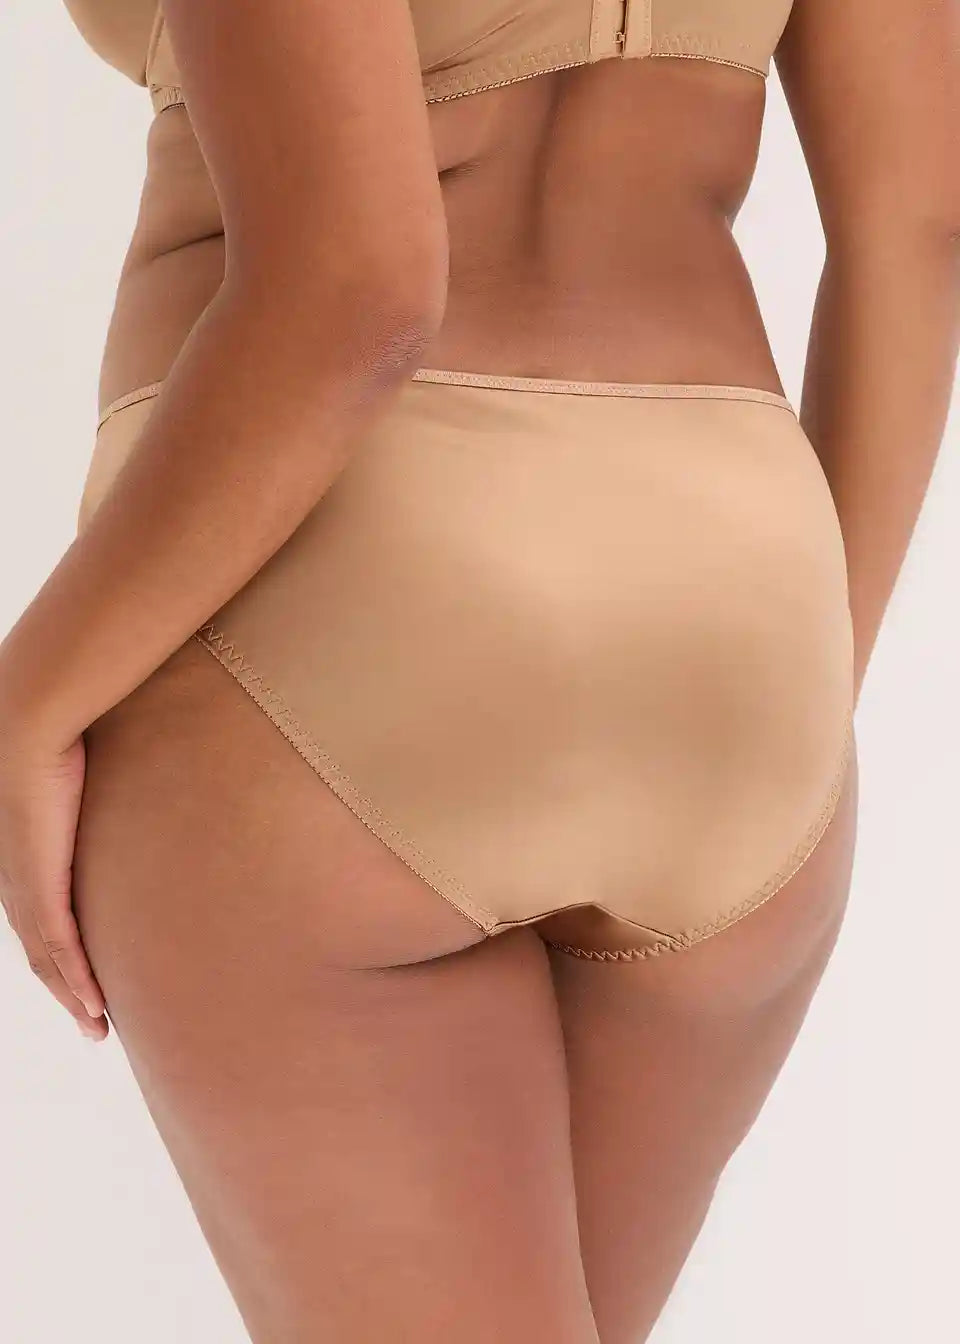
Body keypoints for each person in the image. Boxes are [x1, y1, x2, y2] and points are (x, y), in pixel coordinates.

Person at [1, 1, 957, 1339]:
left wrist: (29, 700)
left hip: (345, 588)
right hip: (744, 596)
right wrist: (803, 696)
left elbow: (356, 286)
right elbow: (923, 228)